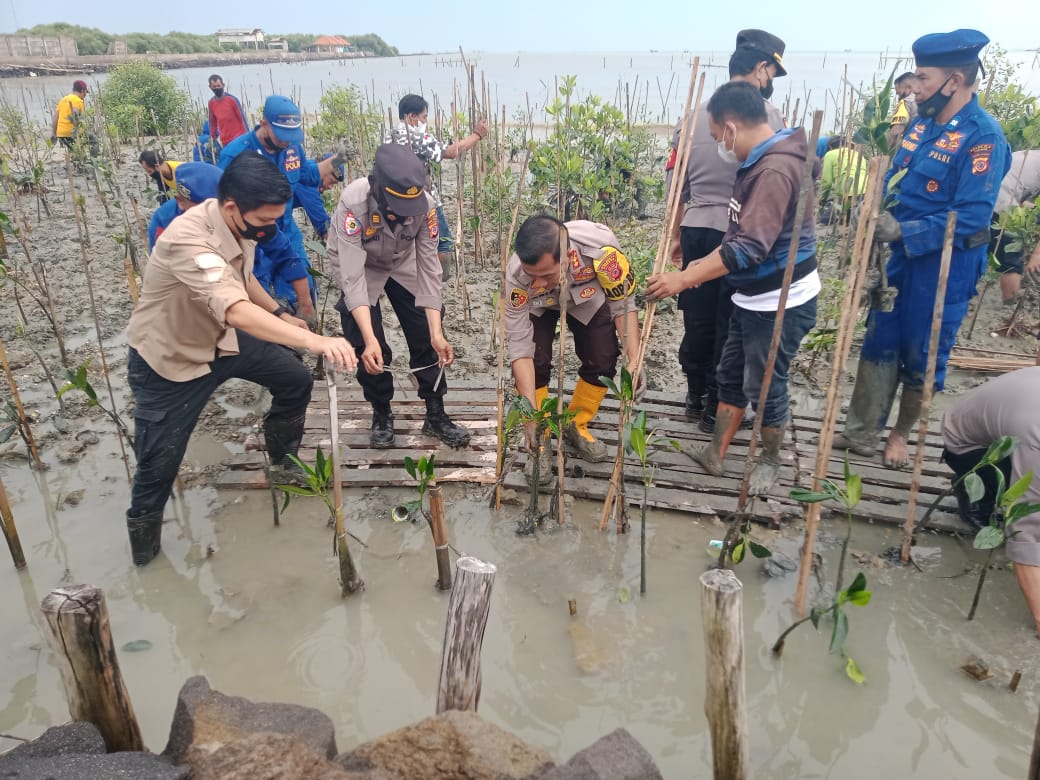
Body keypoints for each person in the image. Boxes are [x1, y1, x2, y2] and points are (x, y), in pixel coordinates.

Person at [124, 154, 357, 566]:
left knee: (293, 380)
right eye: (264, 222)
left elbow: (244, 280)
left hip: (225, 342)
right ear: (232, 206)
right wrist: (317, 342)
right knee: (158, 465)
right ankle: (146, 556)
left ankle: (282, 464)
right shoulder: (187, 240)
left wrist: (282, 315)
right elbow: (233, 308)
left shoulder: (239, 225)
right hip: (172, 359)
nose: (269, 230)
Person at [833, 29, 1012, 468]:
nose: (916, 88)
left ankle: (899, 434)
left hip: (946, 264)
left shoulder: (983, 137)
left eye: (924, 79)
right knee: (881, 337)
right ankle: (861, 431)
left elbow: (971, 216)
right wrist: (872, 211)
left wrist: (903, 232)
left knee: (924, 350)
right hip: (900, 260)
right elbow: (899, 183)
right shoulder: (920, 126)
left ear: (955, 79)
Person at [647, 81, 819, 495]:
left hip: (779, 299)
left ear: (730, 129)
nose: (718, 146)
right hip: (752, 295)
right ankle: (716, 454)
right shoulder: (761, 159)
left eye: (715, 137)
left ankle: (771, 459)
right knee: (730, 373)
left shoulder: (774, 169)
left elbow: (749, 248)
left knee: (765, 384)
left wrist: (683, 278)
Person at [665, 29, 788, 432]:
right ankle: (715, 407)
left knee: (696, 320)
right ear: (760, 68)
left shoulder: (694, 114)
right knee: (730, 323)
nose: (769, 82)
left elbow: (675, 180)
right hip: (739, 235)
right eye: (771, 73)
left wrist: (675, 233)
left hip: (697, 227)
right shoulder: (767, 117)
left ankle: (693, 393)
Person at [327, 143, 470, 449]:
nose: (403, 214)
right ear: (377, 188)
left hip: (402, 261)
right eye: (396, 207)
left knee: (426, 334)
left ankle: (435, 414)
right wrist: (370, 339)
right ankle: (381, 412)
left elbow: (430, 270)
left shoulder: (426, 207)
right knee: (368, 343)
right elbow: (352, 277)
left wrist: (436, 332)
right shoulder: (353, 204)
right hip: (361, 264)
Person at [504, 214, 641, 468]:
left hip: (587, 297)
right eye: (531, 275)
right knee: (536, 361)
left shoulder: (602, 251)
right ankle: (542, 431)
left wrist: (634, 360)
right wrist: (529, 417)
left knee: (602, 358)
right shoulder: (517, 275)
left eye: (546, 275)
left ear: (567, 257)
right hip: (538, 305)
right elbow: (519, 346)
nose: (538, 283)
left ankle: (576, 424)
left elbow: (623, 305)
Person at [220, 95, 345, 322]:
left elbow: (307, 174)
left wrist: (336, 161)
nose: (287, 142)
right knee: (259, 297)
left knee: (303, 287)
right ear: (264, 123)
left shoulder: (292, 149)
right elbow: (222, 204)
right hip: (252, 238)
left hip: (285, 230)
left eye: (292, 137)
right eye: (282, 136)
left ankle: (300, 338)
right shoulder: (236, 154)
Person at [941, 367, 1040, 638]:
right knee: (1025, 510)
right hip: (968, 444)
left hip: (1009, 416)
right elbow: (1027, 532)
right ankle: (973, 494)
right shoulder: (1036, 438)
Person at [386, 94, 489, 279]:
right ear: (411, 117)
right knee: (443, 241)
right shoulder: (417, 136)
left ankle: (413, 277)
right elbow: (450, 152)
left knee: (408, 242)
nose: (425, 121)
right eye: (424, 117)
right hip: (423, 200)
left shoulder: (390, 135)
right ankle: (440, 280)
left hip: (396, 200)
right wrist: (477, 135)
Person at [990, 150, 1040, 303]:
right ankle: (1009, 305)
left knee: (978, 249)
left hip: (983, 194)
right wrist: (1037, 256)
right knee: (1011, 261)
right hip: (1002, 201)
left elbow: (1024, 201)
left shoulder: (1030, 156)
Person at [148, 162, 223, 250]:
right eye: (203, 209)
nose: (209, 214)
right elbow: (162, 260)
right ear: (180, 201)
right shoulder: (163, 221)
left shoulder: (231, 209)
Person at [817, 136, 869, 222]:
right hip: (866, 192)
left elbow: (827, 182)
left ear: (830, 147)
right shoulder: (858, 154)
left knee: (824, 220)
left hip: (848, 193)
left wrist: (821, 200)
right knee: (850, 218)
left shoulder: (829, 154)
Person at [207, 74, 248, 146]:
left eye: (218, 86)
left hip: (239, 138)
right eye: (214, 87)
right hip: (225, 141)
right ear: (210, 87)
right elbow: (213, 123)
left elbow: (242, 119)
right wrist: (212, 138)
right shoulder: (211, 103)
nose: (217, 88)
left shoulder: (232, 100)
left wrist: (247, 137)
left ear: (223, 85)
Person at [51, 79, 88, 149]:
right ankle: (95, 158)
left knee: (73, 150)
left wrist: (54, 133)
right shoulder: (78, 101)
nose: (85, 95)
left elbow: (55, 117)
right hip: (71, 133)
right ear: (83, 90)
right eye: (86, 92)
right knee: (93, 140)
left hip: (61, 134)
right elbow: (75, 115)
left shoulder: (63, 99)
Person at [887, 73, 919, 149]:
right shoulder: (927, 102)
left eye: (899, 93)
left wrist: (886, 152)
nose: (898, 97)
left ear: (908, 88)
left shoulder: (905, 102)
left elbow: (896, 132)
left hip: (910, 149)